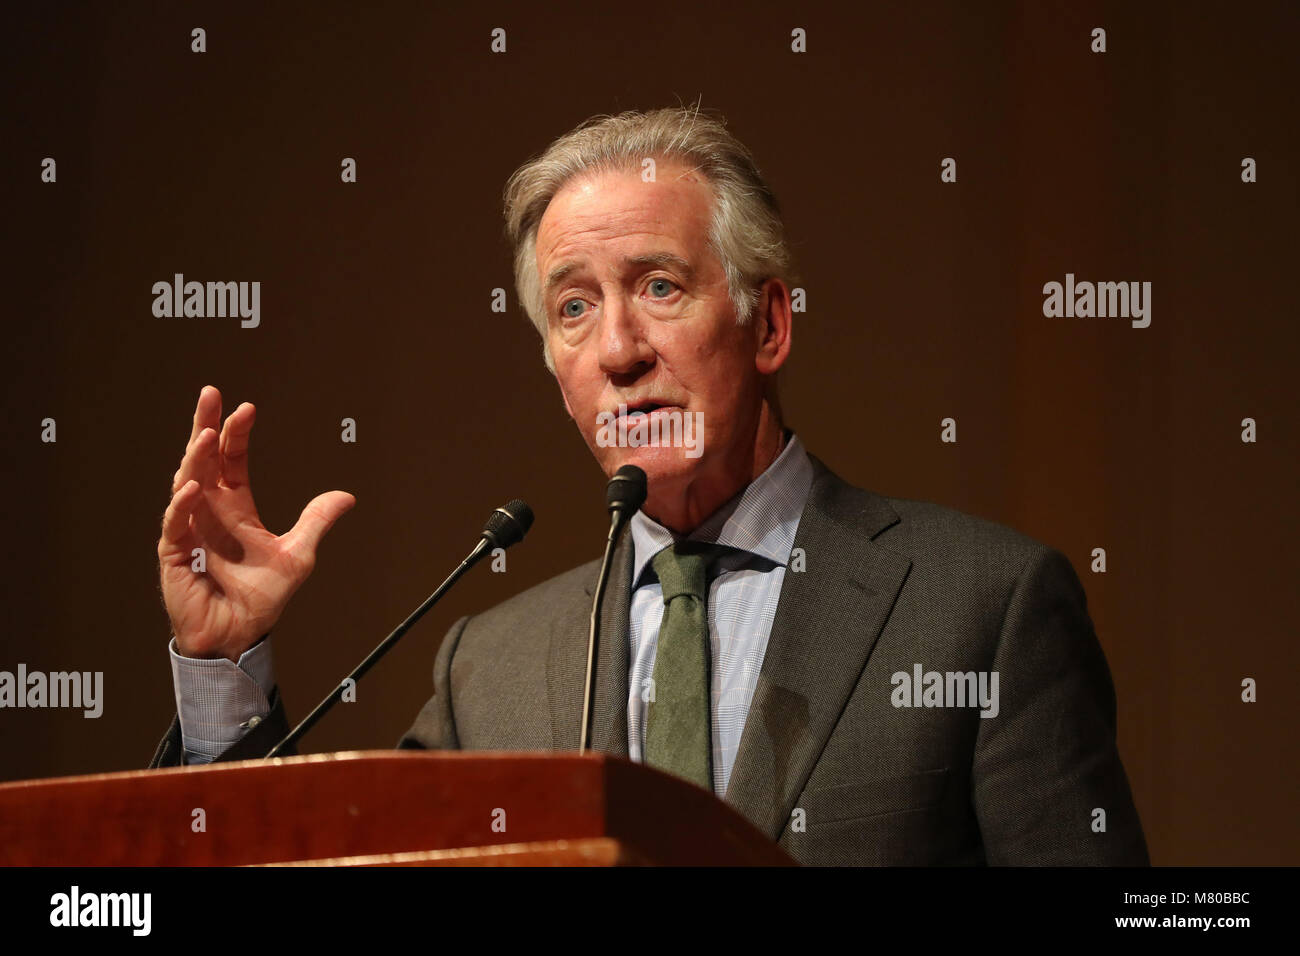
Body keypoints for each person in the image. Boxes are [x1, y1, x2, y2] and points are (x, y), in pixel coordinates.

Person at [151, 105, 1149, 866]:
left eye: (660, 287)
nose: (619, 349)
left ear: (769, 326)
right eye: (574, 308)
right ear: (554, 372)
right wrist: (227, 670)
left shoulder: (981, 604)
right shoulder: (486, 665)